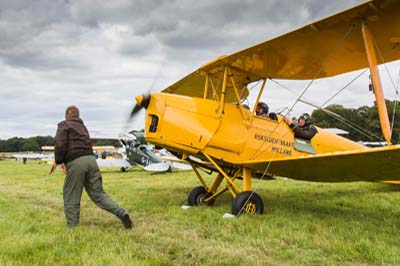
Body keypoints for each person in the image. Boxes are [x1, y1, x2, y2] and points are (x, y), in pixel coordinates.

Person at [49, 105, 133, 229]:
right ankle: (120, 212)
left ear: (67, 116)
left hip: (76, 162)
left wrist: (59, 160)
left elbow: (60, 144)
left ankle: (72, 228)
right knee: (98, 193)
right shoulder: (83, 128)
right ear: (78, 116)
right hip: (91, 160)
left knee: (71, 195)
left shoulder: (64, 125)